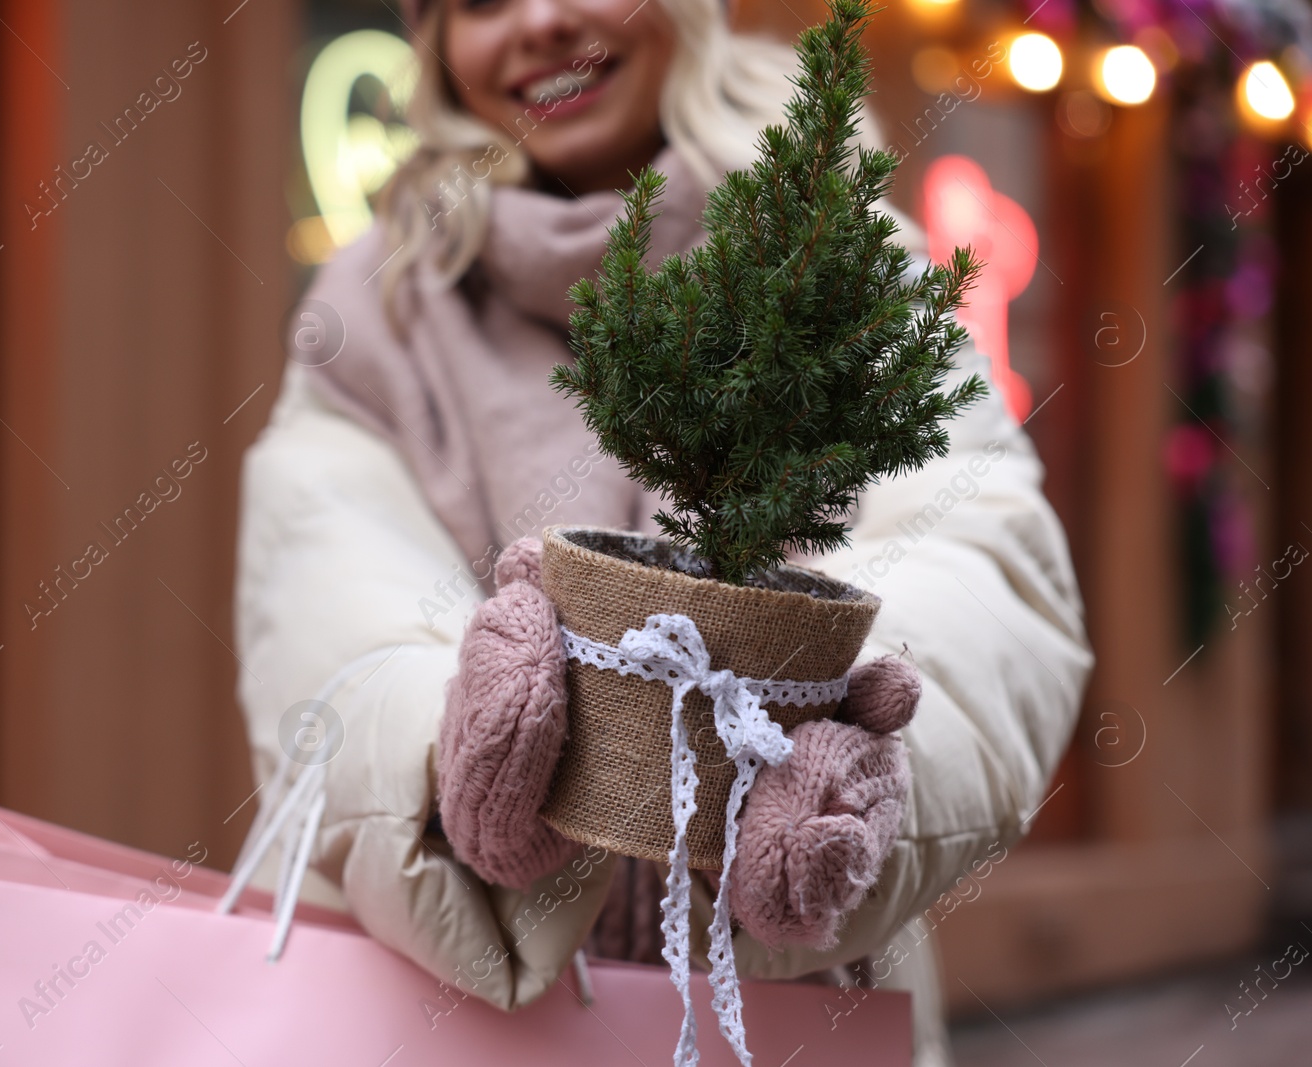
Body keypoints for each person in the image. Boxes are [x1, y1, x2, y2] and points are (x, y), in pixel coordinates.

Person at [234, 0, 1093, 1063]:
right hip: (439, 1017)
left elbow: (983, 555)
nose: (541, 22)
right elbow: (328, 603)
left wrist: (842, 746)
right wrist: (450, 756)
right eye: (482, 1)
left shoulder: (844, 261)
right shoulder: (379, 305)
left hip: (793, 1019)